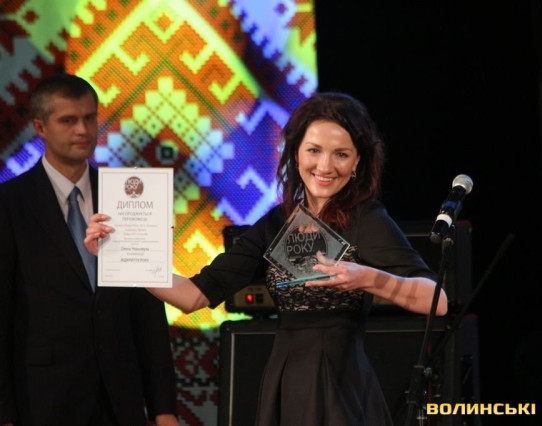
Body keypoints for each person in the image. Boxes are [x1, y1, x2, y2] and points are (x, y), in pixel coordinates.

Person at [86, 91, 448, 425]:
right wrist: (119, 255)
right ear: (295, 153)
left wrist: (368, 277)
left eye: (341, 154)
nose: (325, 166)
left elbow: (439, 300)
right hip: (285, 380)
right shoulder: (276, 223)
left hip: (341, 384)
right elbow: (192, 295)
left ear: (357, 163)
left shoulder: (366, 218)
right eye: (314, 150)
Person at [0, 73, 180, 426]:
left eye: (89, 118)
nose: (82, 130)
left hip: (120, 400)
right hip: (41, 401)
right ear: (40, 127)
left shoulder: (131, 198)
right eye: (68, 120)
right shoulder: (9, 204)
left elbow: (148, 313)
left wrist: (164, 409)